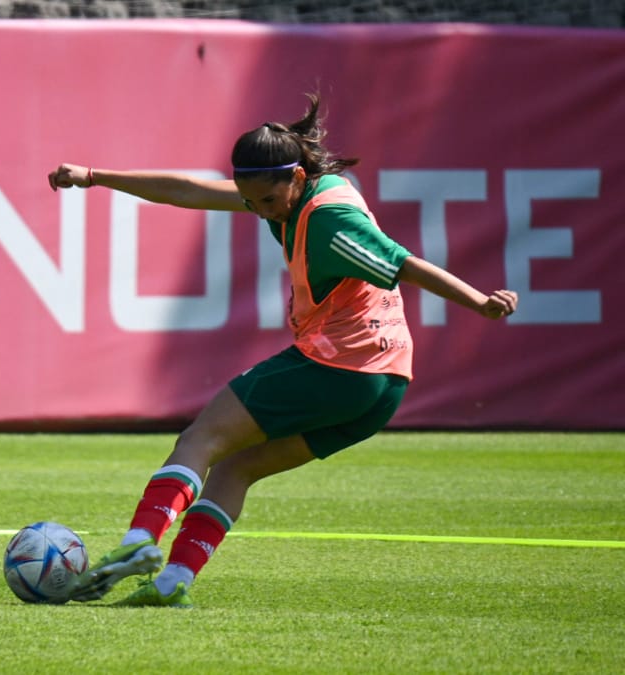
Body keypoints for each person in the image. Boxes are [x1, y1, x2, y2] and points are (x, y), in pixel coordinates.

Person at [46, 94, 518, 608]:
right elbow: (187, 190)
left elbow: (404, 263)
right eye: (249, 201)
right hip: (383, 386)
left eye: (266, 201)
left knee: (200, 438)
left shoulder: (329, 219)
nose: (257, 210)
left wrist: (479, 303)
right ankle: (170, 582)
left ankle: (139, 543)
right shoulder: (289, 192)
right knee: (236, 468)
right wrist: (94, 175)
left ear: (295, 177)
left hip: (338, 366)